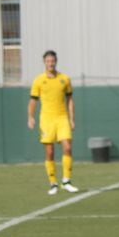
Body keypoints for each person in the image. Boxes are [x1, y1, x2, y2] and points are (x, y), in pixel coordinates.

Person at [27, 50, 79, 195]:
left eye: (53, 61)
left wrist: (72, 119)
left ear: (56, 61)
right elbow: (32, 101)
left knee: (67, 147)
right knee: (49, 152)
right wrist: (30, 117)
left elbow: (70, 100)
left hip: (62, 118)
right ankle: (53, 183)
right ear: (44, 62)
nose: (51, 63)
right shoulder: (38, 80)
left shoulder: (65, 79)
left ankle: (66, 181)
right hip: (47, 120)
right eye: (48, 61)